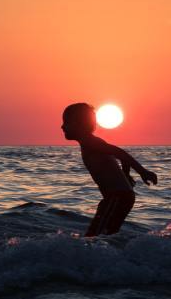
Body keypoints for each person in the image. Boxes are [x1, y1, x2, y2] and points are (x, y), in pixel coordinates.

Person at [61, 102, 158, 237]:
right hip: (117, 197)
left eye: (66, 122)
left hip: (117, 197)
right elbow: (121, 157)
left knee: (94, 237)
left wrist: (143, 172)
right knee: (104, 235)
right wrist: (125, 175)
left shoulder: (90, 142)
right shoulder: (91, 142)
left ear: (78, 124)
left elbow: (119, 153)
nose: (62, 126)